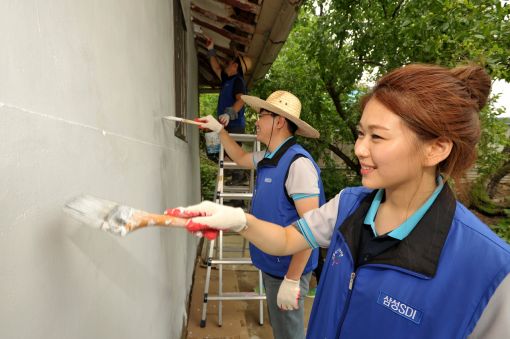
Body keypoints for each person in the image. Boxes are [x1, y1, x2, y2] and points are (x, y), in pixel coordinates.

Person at [175, 64, 510, 338]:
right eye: (361, 133)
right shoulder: (349, 205)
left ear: (436, 148)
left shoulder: (490, 271)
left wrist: (293, 279)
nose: (360, 148)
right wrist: (238, 221)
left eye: (377, 136)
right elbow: (289, 237)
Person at [195, 90, 326, 339]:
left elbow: (312, 228)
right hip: (272, 266)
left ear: (278, 121)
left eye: (262, 115)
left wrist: (292, 279)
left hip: (287, 270)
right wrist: (219, 130)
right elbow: (242, 157)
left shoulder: (298, 164)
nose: (256, 120)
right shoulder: (270, 158)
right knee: (281, 330)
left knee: (289, 334)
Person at [206, 36, 252, 187]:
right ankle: (237, 179)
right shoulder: (227, 79)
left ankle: (240, 178)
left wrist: (229, 113)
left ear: (236, 67)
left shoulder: (238, 81)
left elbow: (242, 99)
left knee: (232, 154)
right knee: (221, 154)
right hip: (226, 125)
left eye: (230, 62)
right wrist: (210, 49)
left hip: (235, 125)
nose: (227, 64)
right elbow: (216, 68)